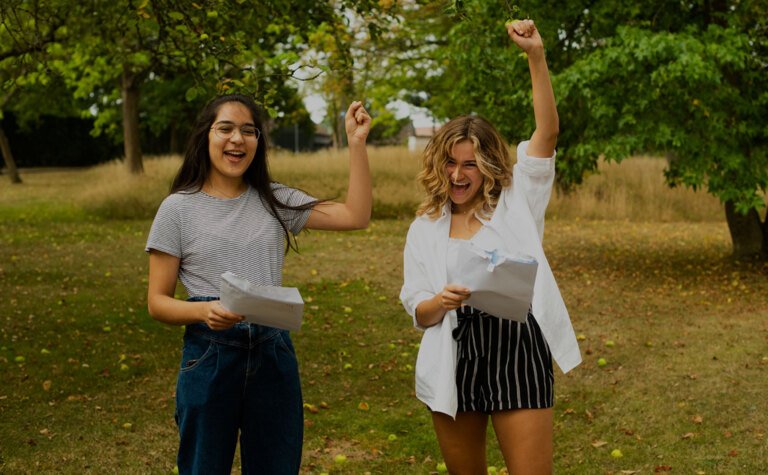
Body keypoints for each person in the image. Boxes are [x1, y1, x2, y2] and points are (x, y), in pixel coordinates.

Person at [145, 93, 371, 474]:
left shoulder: (274, 198)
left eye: (249, 131)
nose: (238, 139)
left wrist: (356, 144)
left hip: (273, 354)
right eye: (226, 129)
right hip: (210, 354)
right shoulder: (177, 209)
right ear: (206, 136)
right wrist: (204, 310)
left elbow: (355, 215)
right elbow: (157, 302)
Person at [399, 20, 581, 473]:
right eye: (450, 163)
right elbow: (417, 309)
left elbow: (548, 134)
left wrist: (535, 56)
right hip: (454, 353)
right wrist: (439, 302)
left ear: (490, 167)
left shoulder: (520, 198)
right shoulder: (425, 227)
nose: (458, 176)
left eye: (471, 166)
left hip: (518, 346)